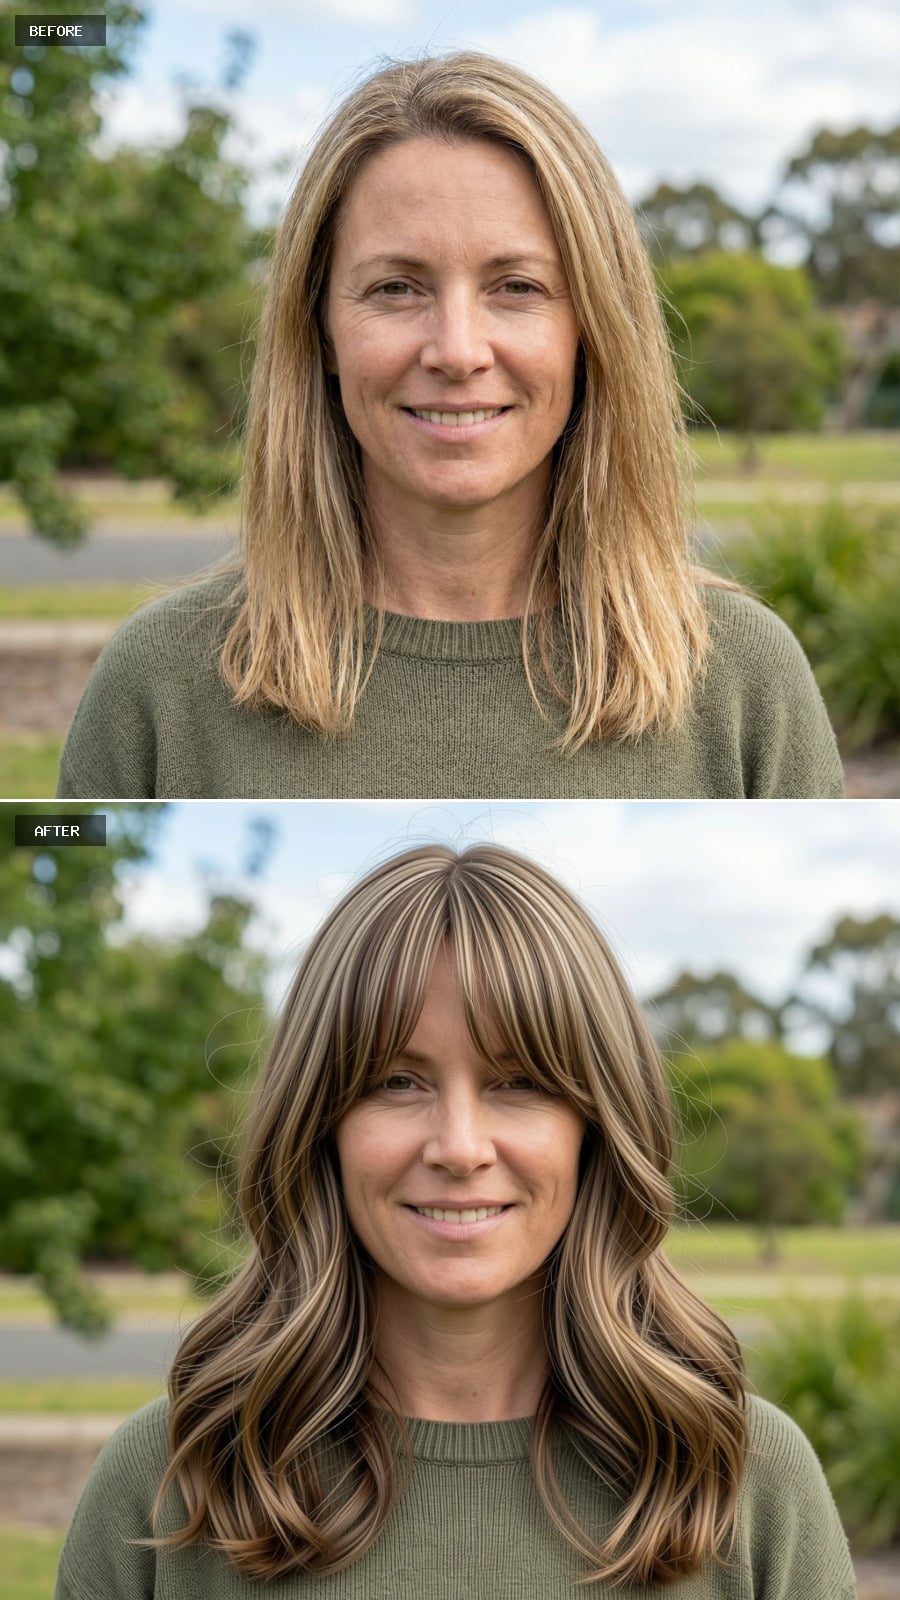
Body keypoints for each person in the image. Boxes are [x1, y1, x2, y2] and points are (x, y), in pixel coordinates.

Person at [55, 844, 856, 1598]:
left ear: (598, 1128)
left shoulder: (748, 1477)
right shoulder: (165, 1479)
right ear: (319, 1125)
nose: (460, 1147)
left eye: (518, 1082)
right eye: (398, 1081)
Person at [56, 52, 842, 800]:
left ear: (592, 329)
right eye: (396, 288)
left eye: (517, 287)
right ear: (319, 327)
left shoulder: (744, 680)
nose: (458, 351)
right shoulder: (159, 687)